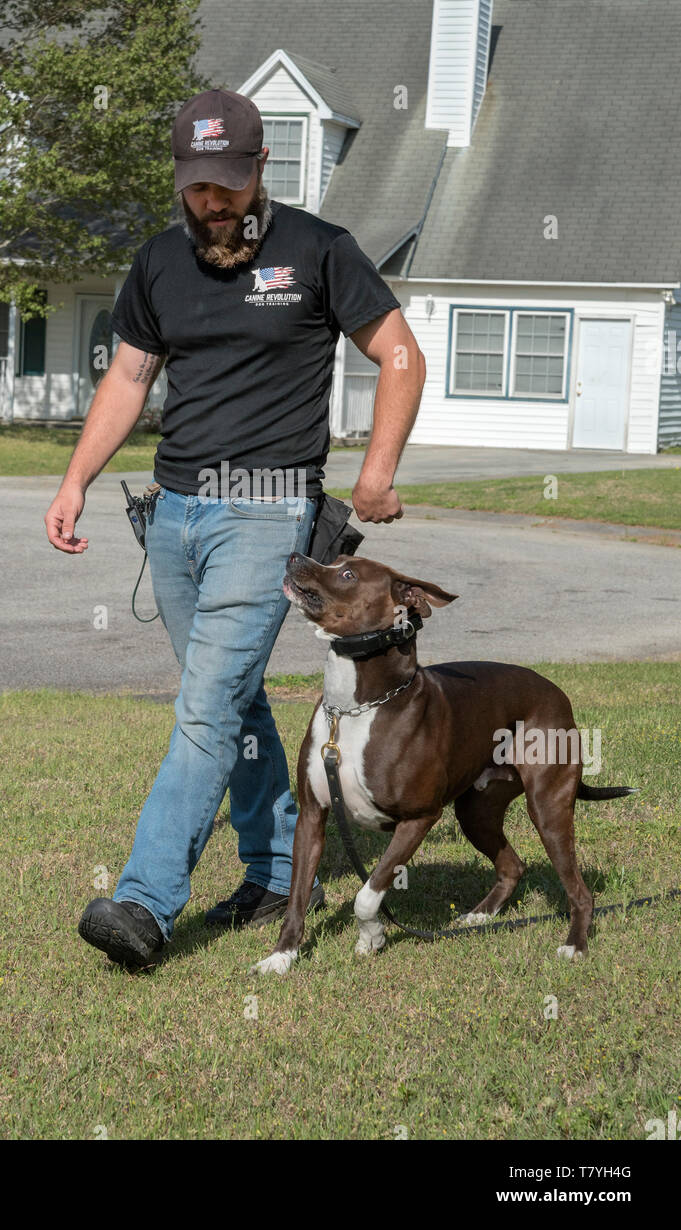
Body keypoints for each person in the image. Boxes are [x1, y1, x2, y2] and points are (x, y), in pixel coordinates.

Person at [44, 87, 426, 967]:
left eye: (226, 183)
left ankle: (143, 903)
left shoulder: (319, 251)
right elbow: (129, 379)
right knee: (238, 698)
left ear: (259, 169)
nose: (212, 202)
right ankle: (278, 865)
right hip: (175, 514)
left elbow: (398, 354)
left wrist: (376, 469)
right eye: (196, 186)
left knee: (206, 705)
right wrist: (73, 480)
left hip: (270, 508)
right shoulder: (158, 263)